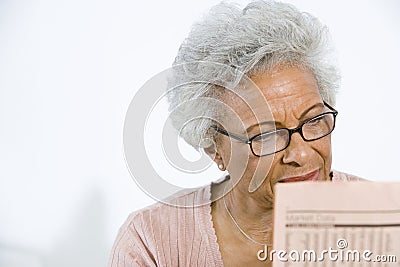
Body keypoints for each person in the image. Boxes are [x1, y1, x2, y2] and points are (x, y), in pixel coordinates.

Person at [109, 1, 363, 266]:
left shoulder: (384, 222)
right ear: (213, 147)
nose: (300, 153)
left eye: (312, 120)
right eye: (266, 135)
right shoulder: (149, 243)